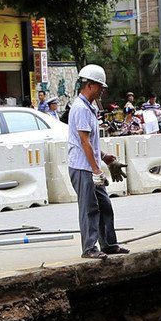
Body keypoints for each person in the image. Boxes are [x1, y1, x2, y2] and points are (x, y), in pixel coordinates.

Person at [65, 64, 129, 260]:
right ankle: (89, 247)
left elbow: (90, 142)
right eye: (100, 86)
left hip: (90, 166)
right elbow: (83, 141)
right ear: (90, 85)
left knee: (105, 205)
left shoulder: (89, 107)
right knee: (89, 208)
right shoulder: (80, 109)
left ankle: (108, 244)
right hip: (82, 167)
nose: (102, 90)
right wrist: (96, 170)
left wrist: (103, 156)